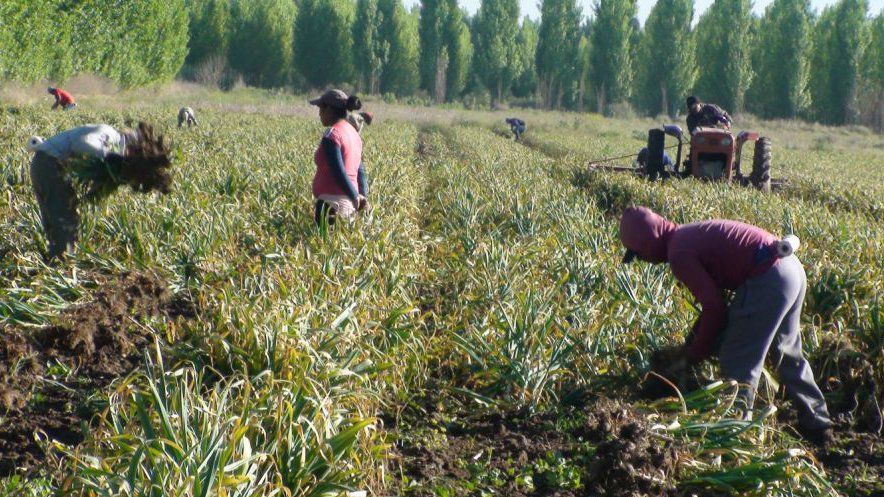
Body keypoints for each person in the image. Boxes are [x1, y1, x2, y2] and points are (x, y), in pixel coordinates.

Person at [619, 206, 833, 444]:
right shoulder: (688, 234)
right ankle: (818, 422)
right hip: (790, 268)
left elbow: (715, 308)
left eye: (639, 255)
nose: (644, 261)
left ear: (647, 244)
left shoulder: (678, 254)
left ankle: (736, 433)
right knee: (787, 351)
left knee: (737, 360)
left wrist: (694, 355)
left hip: (768, 277)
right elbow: (715, 305)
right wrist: (693, 342)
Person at [29, 122, 172, 258]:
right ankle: (61, 264)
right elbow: (83, 142)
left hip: (45, 165)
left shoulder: (112, 142)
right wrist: (109, 156)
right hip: (50, 164)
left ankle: (57, 260)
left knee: (58, 219)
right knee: (64, 220)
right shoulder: (110, 134)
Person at [309, 89, 368, 226]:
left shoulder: (333, 134)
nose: (319, 113)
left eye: (321, 108)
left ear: (329, 109)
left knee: (323, 245)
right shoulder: (354, 134)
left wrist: (355, 197)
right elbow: (361, 172)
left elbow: (338, 171)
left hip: (331, 207)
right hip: (349, 208)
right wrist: (361, 197)